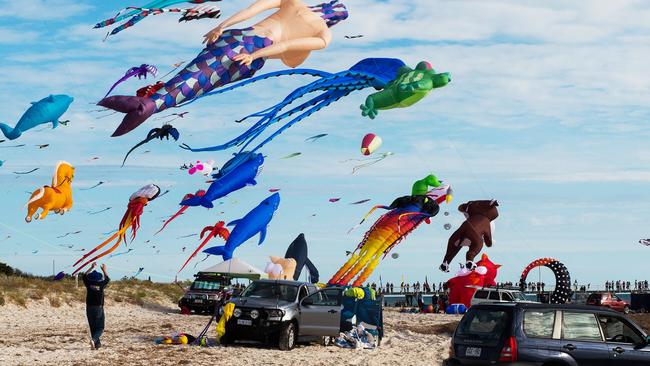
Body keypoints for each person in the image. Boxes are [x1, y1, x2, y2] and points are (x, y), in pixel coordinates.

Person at [99, 0, 350, 136]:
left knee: (191, 73)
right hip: (250, 52)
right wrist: (257, 55)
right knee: (200, 83)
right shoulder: (323, 34)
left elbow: (252, 9)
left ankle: (148, 103)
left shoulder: (293, 2)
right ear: (335, 20)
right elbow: (289, 49)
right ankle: (148, 106)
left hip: (234, 36)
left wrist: (222, 25)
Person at [83, 263, 110, 350]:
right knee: (100, 328)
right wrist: (104, 270)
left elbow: (84, 276)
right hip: (98, 308)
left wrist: (91, 267)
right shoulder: (101, 284)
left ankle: (96, 345)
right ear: (99, 278)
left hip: (89, 307)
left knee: (92, 327)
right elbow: (107, 279)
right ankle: (94, 340)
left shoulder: (88, 283)